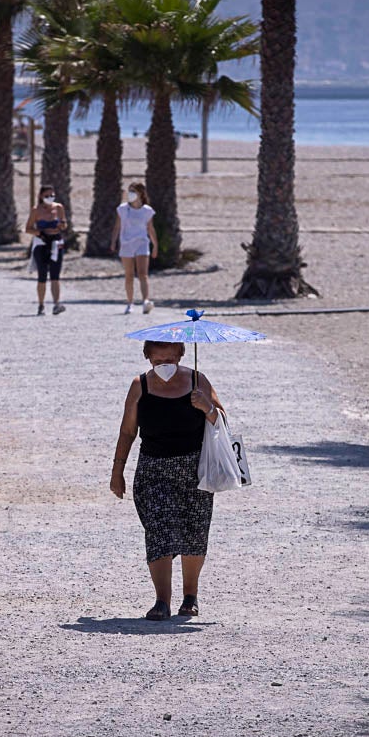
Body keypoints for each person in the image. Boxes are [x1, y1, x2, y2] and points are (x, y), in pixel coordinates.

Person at [110, 340, 224, 620]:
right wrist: (117, 471)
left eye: (171, 359)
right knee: (159, 532)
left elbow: (222, 421)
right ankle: (162, 601)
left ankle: (190, 596)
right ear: (147, 357)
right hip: (153, 471)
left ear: (181, 355)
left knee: (194, 534)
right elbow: (127, 431)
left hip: (195, 471)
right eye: (158, 360)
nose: (165, 366)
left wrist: (207, 406)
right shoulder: (140, 386)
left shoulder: (198, 380)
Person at [111, 182, 159, 315]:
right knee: (129, 275)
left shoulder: (147, 211)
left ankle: (145, 301)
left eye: (133, 191)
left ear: (140, 194)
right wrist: (113, 242)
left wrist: (155, 245)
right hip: (126, 244)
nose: (130, 194)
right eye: (129, 191)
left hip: (142, 242)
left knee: (143, 274)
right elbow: (117, 226)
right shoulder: (122, 209)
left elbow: (150, 228)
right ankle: (130, 302)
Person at [25, 184, 68, 315]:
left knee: (55, 275)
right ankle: (41, 304)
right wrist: (40, 233)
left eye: (52, 195)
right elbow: (28, 228)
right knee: (42, 275)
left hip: (56, 242)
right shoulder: (36, 210)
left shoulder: (59, 208)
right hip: (42, 243)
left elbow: (64, 224)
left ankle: (56, 304)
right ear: (40, 196)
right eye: (47, 196)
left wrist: (62, 225)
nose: (50, 198)